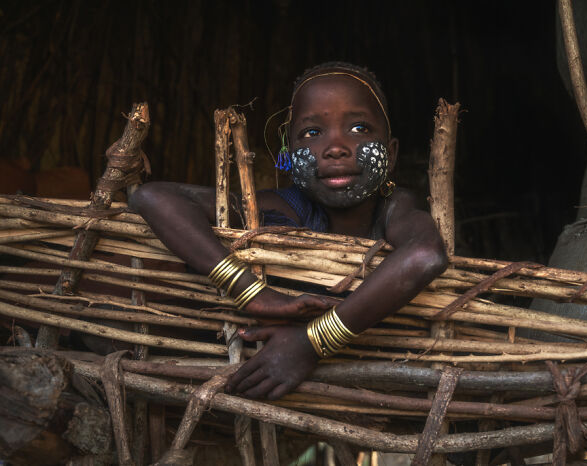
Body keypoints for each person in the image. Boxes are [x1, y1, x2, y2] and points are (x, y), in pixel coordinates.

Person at [129, 62, 448, 400]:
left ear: (392, 152)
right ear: (290, 154)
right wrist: (251, 292)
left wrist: (313, 342)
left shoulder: (393, 207)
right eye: (312, 133)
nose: (336, 147)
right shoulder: (276, 209)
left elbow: (426, 254)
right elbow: (151, 196)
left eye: (358, 128)